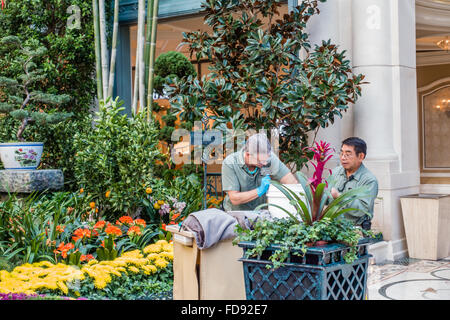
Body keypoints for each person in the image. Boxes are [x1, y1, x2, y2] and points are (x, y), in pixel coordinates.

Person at [221, 133, 298, 212]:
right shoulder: (230, 163)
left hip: (261, 213)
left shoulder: (269, 158)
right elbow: (234, 199)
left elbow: (292, 182)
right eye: (260, 161)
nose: (264, 164)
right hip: (236, 214)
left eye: (266, 160)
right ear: (248, 155)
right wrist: (260, 190)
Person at [327, 137, 378, 230]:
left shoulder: (369, 180)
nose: (343, 157)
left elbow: (360, 210)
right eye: (341, 153)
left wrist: (338, 196)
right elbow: (325, 198)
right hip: (332, 227)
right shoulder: (335, 172)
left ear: (361, 156)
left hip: (355, 231)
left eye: (348, 154)